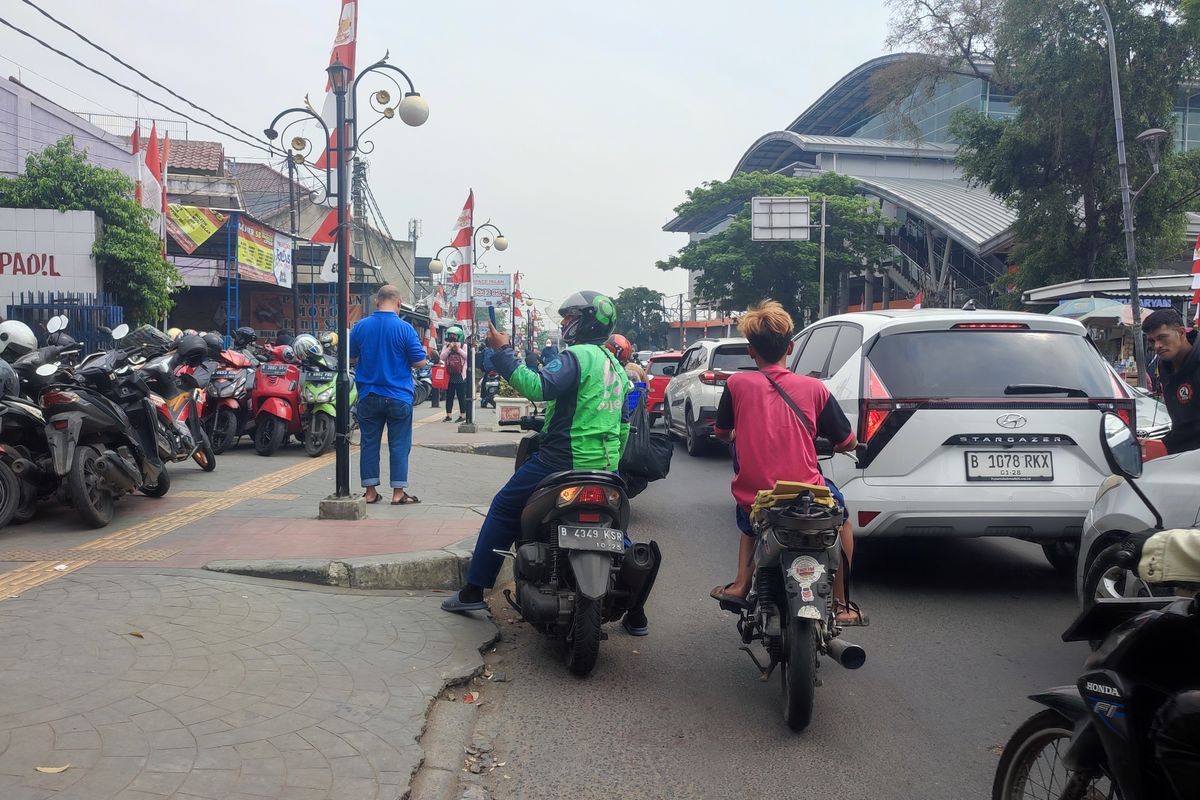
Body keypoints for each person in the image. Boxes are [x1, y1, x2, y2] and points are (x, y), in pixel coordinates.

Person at [441, 291, 655, 635]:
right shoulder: (615, 365)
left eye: (570, 318)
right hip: (605, 466)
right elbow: (623, 424)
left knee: (504, 507)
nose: (566, 324)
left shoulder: (578, 356)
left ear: (584, 322)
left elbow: (538, 386)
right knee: (616, 534)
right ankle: (637, 610)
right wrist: (609, 463)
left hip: (560, 460)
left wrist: (502, 351)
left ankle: (472, 590)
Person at [711, 300, 863, 625]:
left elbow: (722, 433)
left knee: (749, 525)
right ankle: (841, 603)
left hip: (756, 495)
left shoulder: (736, 384)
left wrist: (737, 435)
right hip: (806, 494)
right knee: (842, 521)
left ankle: (740, 585)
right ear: (790, 347)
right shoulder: (813, 388)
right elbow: (846, 440)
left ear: (751, 351)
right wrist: (849, 445)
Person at [349, 285, 428, 505]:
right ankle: (398, 493)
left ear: (376, 302)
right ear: (399, 303)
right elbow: (419, 361)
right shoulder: (405, 329)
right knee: (400, 445)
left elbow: (352, 356)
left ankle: (371, 492)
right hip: (398, 396)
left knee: (369, 443)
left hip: (368, 394)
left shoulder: (360, 327)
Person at [1140, 309, 1200, 460]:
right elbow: (1182, 422)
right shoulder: (1165, 366)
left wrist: (1166, 443)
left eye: (1162, 337)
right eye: (1152, 341)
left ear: (1181, 332)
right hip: (1182, 455)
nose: (1157, 346)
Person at [441, 327, 469, 423]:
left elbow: (467, 357)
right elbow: (442, 357)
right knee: (449, 396)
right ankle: (448, 415)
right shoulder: (446, 346)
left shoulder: (463, 346)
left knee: (461, 396)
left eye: (454, 335)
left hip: (461, 375)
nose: (452, 337)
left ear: (459, 336)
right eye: (450, 335)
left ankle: (462, 415)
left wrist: (458, 349)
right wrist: (449, 348)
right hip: (449, 375)